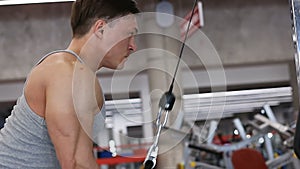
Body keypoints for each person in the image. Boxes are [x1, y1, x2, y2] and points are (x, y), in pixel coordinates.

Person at [0, 0, 139, 168]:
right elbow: (74, 163)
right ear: (101, 29)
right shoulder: (65, 72)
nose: (133, 46)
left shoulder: (80, 75)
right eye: (128, 34)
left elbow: (83, 161)